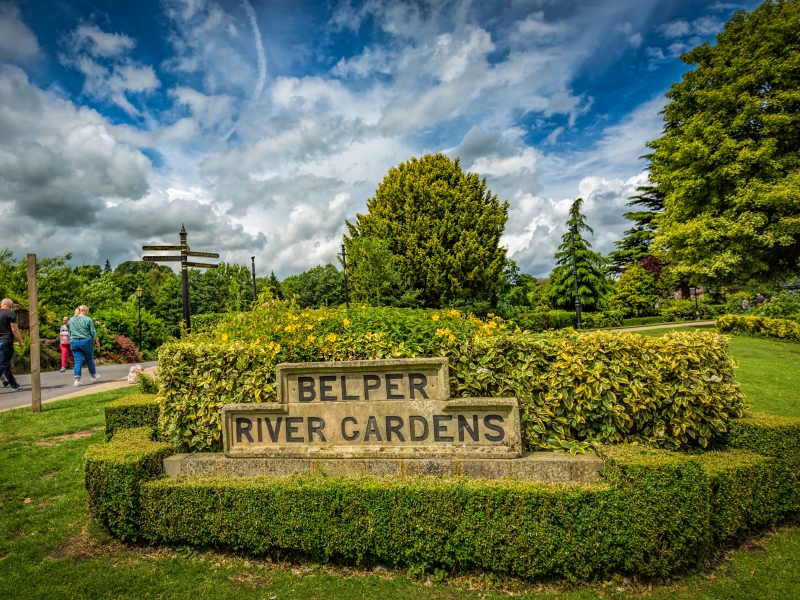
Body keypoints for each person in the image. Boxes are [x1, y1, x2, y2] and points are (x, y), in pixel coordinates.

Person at [68, 305, 101, 387]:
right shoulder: (87, 319)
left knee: (77, 361)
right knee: (89, 359)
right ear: (85, 310)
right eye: (87, 311)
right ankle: (93, 376)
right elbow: (93, 331)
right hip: (86, 341)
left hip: (74, 342)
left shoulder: (71, 320)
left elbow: (69, 332)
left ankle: (77, 380)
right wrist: (97, 341)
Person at [0, 298, 24, 391]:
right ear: (10, 305)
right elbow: (14, 329)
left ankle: (14, 385)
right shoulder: (10, 313)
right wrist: (20, 341)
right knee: (2, 364)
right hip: (6, 342)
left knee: (6, 365)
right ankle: (14, 385)